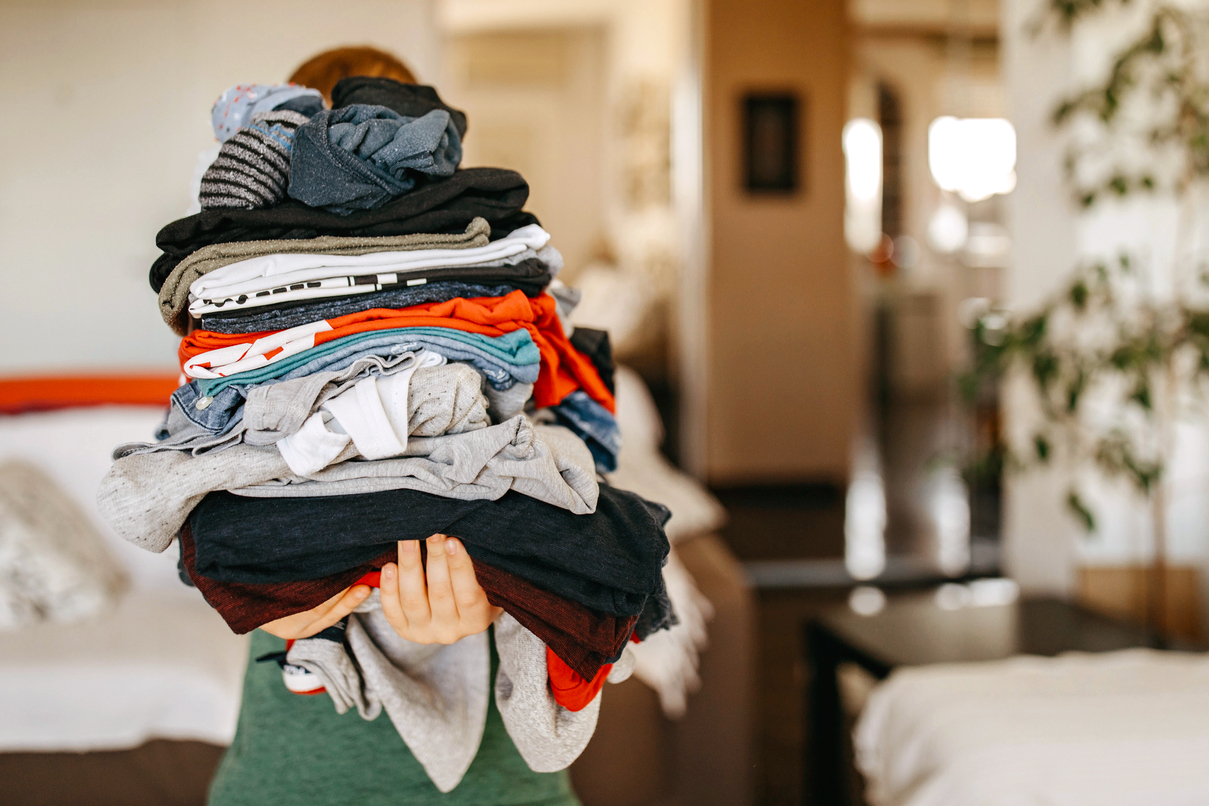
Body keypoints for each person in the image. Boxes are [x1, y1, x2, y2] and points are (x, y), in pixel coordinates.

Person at [203, 47, 582, 806]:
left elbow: (589, 505)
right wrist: (258, 597)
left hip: (499, 776)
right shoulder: (233, 334)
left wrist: (508, 593)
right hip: (299, 765)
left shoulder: (512, 319)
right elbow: (193, 515)